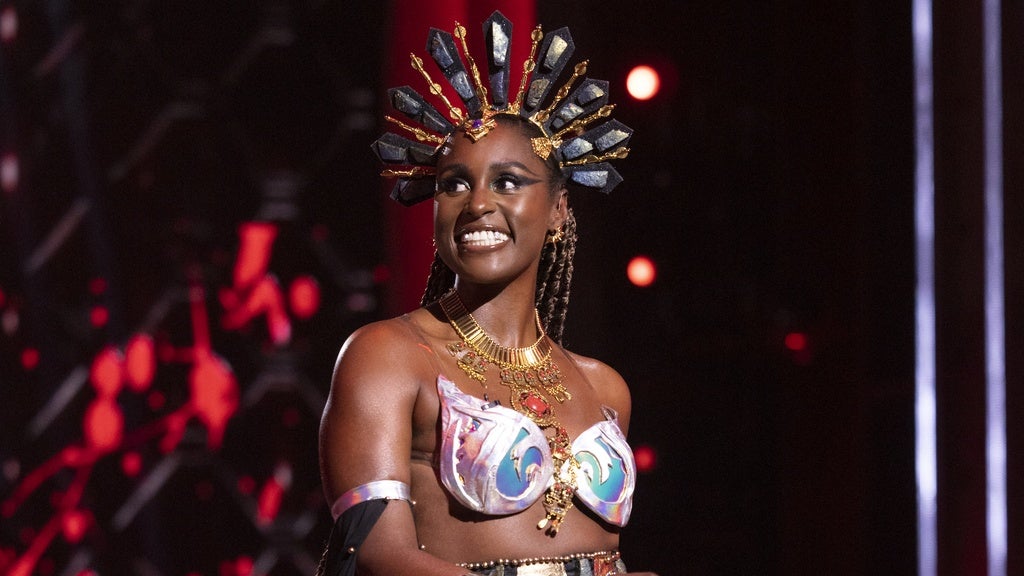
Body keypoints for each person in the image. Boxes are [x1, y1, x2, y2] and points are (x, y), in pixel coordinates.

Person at [318, 11, 656, 576]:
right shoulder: (387, 357)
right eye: (454, 183)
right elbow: (380, 556)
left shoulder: (604, 387)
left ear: (559, 210)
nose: (477, 203)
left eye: (508, 181)